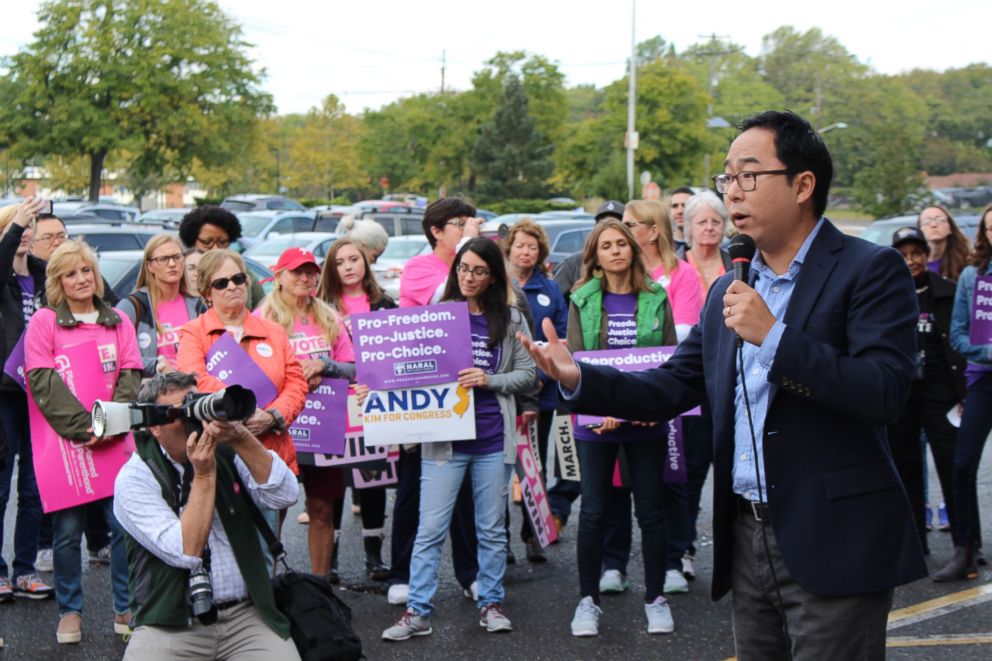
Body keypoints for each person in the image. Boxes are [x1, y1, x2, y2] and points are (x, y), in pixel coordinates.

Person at [522, 110, 926, 659]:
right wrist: (578, 378)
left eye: (748, 175)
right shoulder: (731, 288)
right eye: (727, 177)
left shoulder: (870, 269)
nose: (733, 192)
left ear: (803, 184)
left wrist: (775, 338)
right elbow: (668, 388)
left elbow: (884, 392)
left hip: (834, 535)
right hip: (744, 534)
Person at [381, 237, 536, 641]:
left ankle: (491, 603)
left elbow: (528, 374)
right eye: (463, 268)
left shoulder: (512, 316)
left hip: (491, 439)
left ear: (493, 277)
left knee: (490, 529)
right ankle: (417, 611)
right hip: (444, 440)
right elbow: (402, 368)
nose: (468, 277)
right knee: (430, 529)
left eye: (478, 271)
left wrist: (489, 379)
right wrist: (373, 388)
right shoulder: (436, 315)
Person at [114, 372, 300, 660]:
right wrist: (204, 473)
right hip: (170, 624)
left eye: (197, 406)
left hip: (246, 616)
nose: (193, 422)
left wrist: (241, 437)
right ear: (153, 427)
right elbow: (187, 551)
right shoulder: (135, 477)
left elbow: (285, 494)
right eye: (180, 414)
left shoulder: (229, 452)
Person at [560, 219, 678, 637]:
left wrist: (655, 404)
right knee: (592, 511)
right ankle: (587, 601)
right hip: (597, 422)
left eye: (621, 244)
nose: (615, 251)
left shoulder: (656, 296)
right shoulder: (581, 299)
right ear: (596, 254)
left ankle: (656, 598)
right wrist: (601, 403)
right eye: (606, 245)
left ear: (632, 249)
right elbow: (574, 361)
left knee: (650, 509)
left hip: (645, 419)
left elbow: (669, 362)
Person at [24, 239, 142, 644]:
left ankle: (124, 607)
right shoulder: (44, 322)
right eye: (70, 273)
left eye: (86, 270)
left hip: (113, 441)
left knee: (122, 527)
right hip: (67, 447)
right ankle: (70, 611)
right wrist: (83, 427)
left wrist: (108, 424)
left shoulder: (118, 321)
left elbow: (131, 373)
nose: (80, 279)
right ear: (57, 281)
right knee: (67, 532)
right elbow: (41, 379)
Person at [389, 198, 482, 606]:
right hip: (423, 390)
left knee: (465, 489)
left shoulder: (481, 266)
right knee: (414, 484)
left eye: (469, 222)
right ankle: (402, 573)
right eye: (459, 224)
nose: (467, 229)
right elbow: (446, 308)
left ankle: (471, 573)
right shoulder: (418, 269)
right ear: (436, 231)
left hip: (467, 386)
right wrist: (469, 254)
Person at [176, 249, 308, 537]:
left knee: (268, 545)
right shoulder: (193, 333)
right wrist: (244, 409)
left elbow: (296, 382)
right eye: (221, 283)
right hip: (221, 452)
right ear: (206, 292)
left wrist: (273, 416)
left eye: (238, 279)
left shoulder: (274, 331)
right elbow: (192, 378)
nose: (232, 286)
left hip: (270, 446)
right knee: (226, 548)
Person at [257, 247, 354, 580]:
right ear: (279, 276)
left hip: (323, 426)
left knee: (322, 509)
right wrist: (295, 374)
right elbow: (251, 374)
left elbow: (353, 368)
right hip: (278, 426)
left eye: (311, 271)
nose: (305, 278)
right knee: (275, 510)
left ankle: (320, 584)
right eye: (297, 271)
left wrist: (325, 366)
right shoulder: (263, 318)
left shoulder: (329, 316)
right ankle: (269, 586)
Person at [884, 227, 964, 558]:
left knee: (954, 467)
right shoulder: (884, 295)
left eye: (916, 253)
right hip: (902, 392)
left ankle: (965, 542)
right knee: (905, 467)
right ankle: (915, 541)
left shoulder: (947, 291)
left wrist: (964, 392)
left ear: (926, 255)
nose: (911, 260)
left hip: (941, 393)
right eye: (903, 255)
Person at [318, 238, 395, 581]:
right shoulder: (319, 307)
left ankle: (374, 557)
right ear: (331, 269)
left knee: (373, 477)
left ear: (366, 262)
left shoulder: (384, 304)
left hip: (372, 401)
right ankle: (329, 559)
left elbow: (395, 354)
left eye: (354, 259)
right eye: (340, 261)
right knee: (334, 482)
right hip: (333, 400)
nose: (348, 266)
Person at [502, 219, 568, 562]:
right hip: (499, 393)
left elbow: (560, 335)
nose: (526, 252)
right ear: (509, 249)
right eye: (520, 246)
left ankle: (533, 533)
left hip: (540, 391)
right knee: (499, 466)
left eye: (532, 246)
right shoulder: (499, 284)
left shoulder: (550, 288)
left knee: (532, 464)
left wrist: (541, 373)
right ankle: (501, 539)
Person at [934, 204, 992, 581]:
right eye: (990, 228)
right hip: (983, 379)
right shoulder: (973, 276)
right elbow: (957, 334)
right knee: (962, 464)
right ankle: (965, 549)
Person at [0, 197, 53, 602]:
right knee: (1, 487)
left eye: (31, 225)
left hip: (39, 394)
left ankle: (24, 569)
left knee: (35, 490)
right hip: (4, 394)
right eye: (19, 227)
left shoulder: (43, 276)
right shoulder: (3, 278)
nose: (26, 231)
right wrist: (14, 224)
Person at [117, 235, 200, 376]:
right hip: (152, 392)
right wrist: (156, 364)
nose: (172, 264)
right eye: (163, 259)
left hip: (194, 391)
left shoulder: (197, 304)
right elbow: (118, 357)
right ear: (149, 266)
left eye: (177, 257)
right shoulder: (133, 306)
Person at [178, 206, 266, 309]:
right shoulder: (184, 273)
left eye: (223, 242)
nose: (216, 248)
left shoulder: (241, 270)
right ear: (193, 241)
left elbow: (262, 307)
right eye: (207, 242)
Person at [553, 200, 624, 299]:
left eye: (615, 224)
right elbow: (556, 303)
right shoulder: (572, 265)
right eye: (602, 224)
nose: (608, 228)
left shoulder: (636, 267)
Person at [681, 191, 733, 297]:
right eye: (702, 222)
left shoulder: (736, 265)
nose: (709, 227)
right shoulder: (675, 264)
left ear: (724, 226)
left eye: (716, 222)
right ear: (689, 227)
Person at [918, 205, 970, 283]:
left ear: (950, 228)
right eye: (927, 222)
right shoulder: (913, 265)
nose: (934, 225)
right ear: (920, 230)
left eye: (940, 220)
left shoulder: (967, 261)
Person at [668, 187, 695, 253]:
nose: (679, 211)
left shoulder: (706, 243)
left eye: (685, 205)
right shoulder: (663, 245)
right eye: (675, 206)